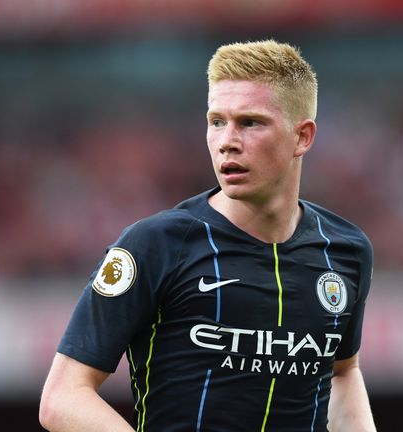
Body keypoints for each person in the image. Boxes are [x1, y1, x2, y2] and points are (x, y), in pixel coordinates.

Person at [40, 39, 376, 431]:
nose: (226, 141)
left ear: (302, 137)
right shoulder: (155, 245)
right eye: (217, 121)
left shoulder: (347, 252)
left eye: (250, 122)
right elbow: (63, 396)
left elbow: (342, 372)